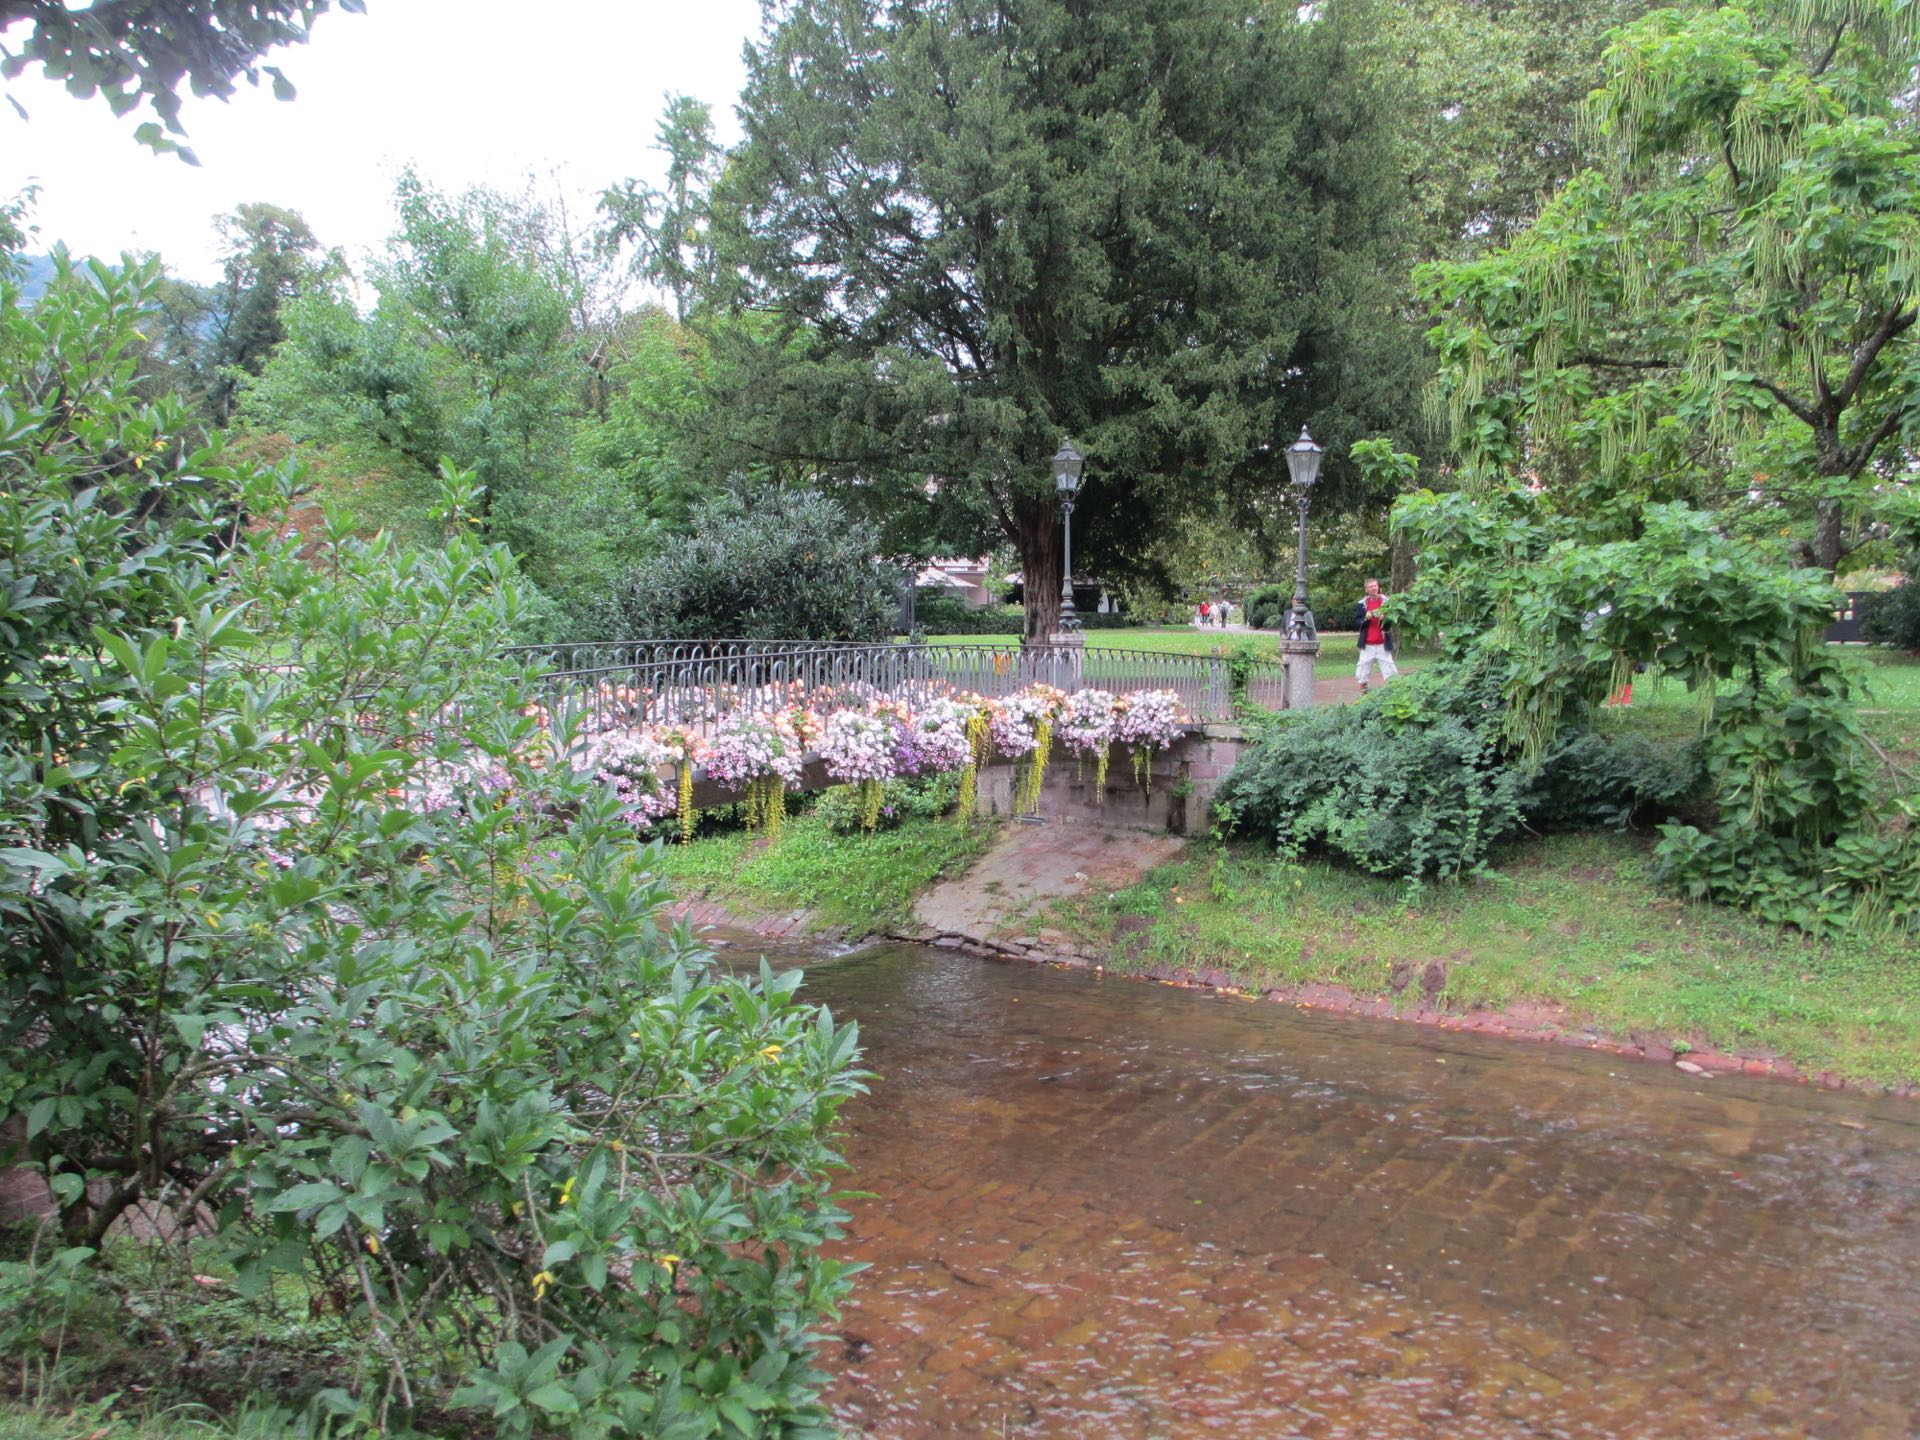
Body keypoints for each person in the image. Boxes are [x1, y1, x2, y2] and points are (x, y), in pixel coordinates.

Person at [1351, 577, 1398, 693]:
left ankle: (1393, 695)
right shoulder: (1362, 604)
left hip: (1383, 644)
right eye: (1370, 586)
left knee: (1390, 671)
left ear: (1378, 587)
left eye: (1375, 586)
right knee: (1362, 672)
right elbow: (1357, 622)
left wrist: (1385, 618)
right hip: (1367, 645)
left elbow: (1394, 620)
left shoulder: (1387, 602)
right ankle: (1364, 697)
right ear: (1366, 589)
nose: (1373, 588)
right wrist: (1366, 618)